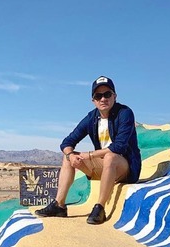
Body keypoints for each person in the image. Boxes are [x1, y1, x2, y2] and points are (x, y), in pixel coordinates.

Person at [36, 76, 141, 224]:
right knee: (68, 157)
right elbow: (67, 142)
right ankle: (59, 205)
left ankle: (100, 208)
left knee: (111, 156)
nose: (103, 99)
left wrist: (90, 155)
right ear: (93, 100)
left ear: (114, 96)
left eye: (107, 94)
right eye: (98, 96)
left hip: (125, 168)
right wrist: (71, 154)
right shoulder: (92, 117)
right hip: (104, 167)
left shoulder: (125, 113)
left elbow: (119, 147)